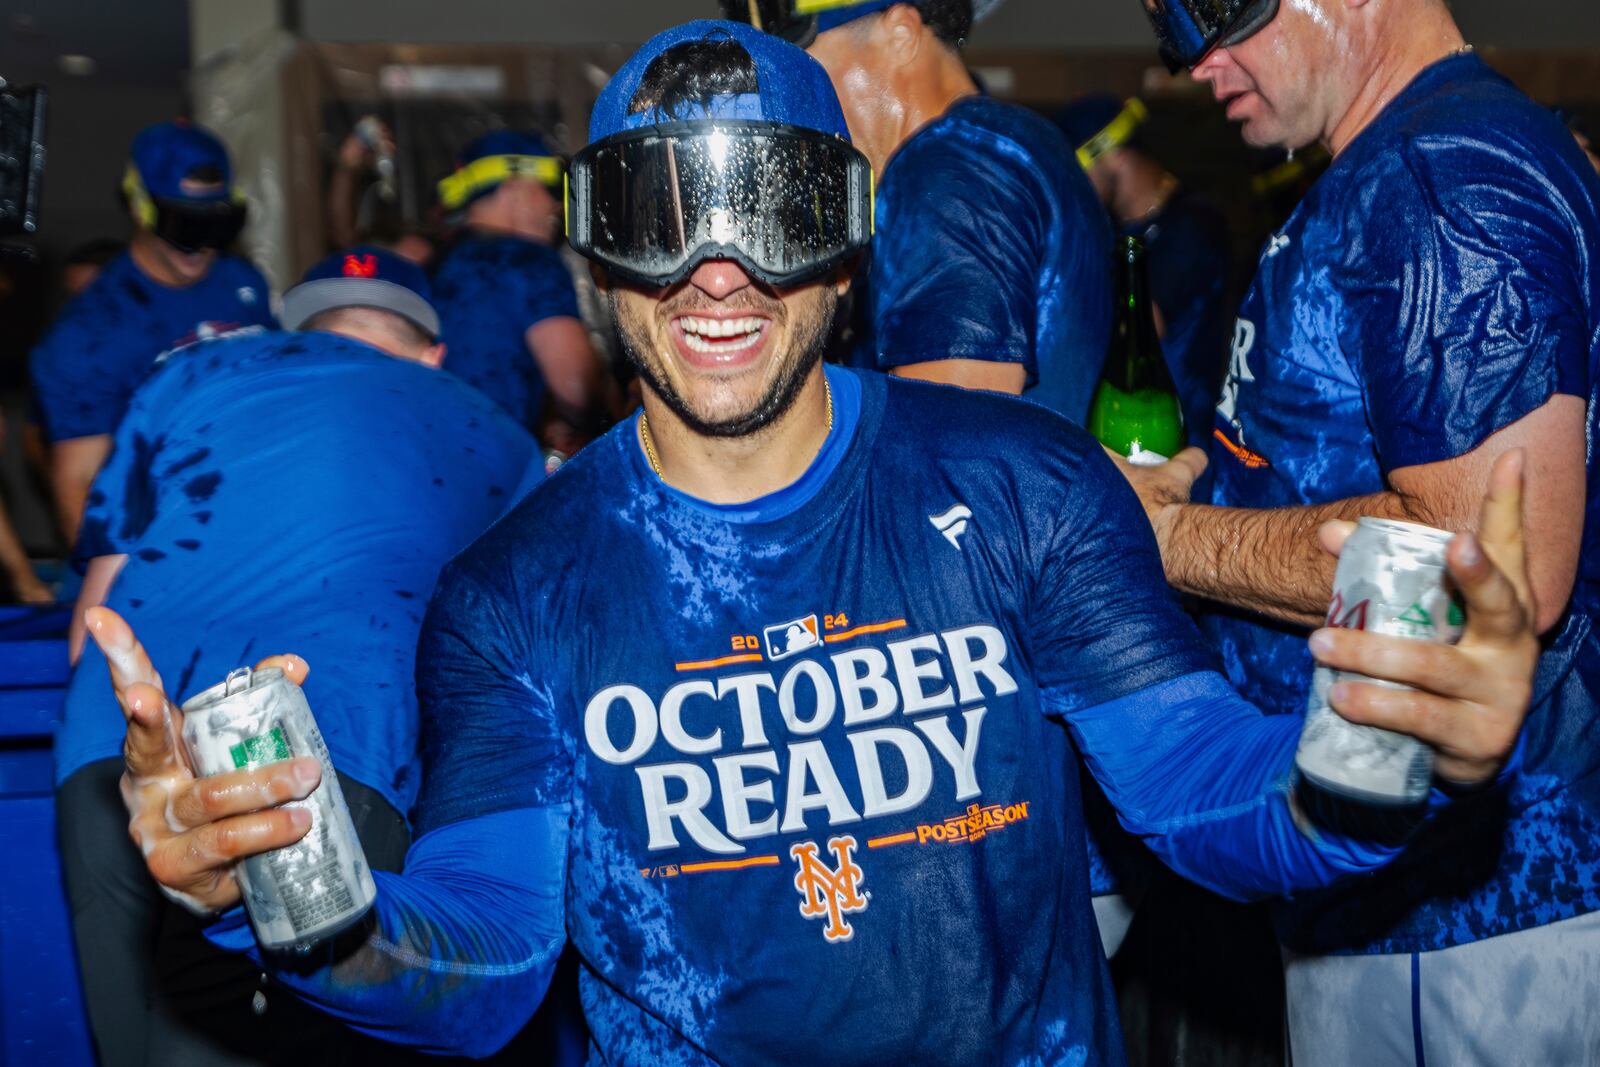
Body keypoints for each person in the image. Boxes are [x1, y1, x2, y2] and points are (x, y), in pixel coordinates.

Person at [87, 22, 1539, 1064]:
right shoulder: (513, 595)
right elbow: (489, 964)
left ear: (847, 251)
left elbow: (1195, 792)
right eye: (662, 216)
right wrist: (283, 887)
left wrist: (1386, 751)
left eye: (770, 211)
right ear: (596, 260)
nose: (718, 269)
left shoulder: (1024, 479)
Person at [1120, 0, 1600, 1062]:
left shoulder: (1437, 171)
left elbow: (1485, 559)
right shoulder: (1400, 160)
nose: (1196, 60)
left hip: (1467, 909)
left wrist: (1170, 538)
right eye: (1172, 28)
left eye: (1215, 9)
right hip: (1398, 880)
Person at [57, 246, 534, 1066]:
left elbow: (91, 621)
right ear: (432, 351)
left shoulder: (194, 372)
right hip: (308, 755)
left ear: (288, 333)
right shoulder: (494, 432)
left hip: (112, 755)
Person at [724, 0, 1112, 421]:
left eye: (802, 69)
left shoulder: (944, 170)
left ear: (902, 35)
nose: (785, 105)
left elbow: (953, 450)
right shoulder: (1012, 141)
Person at [28, 121, 275, 546]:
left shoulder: (242, 283)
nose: (199, 245)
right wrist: (113, 600)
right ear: (140, 208)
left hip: (253, 511)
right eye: (182, 223)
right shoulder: (89, 334)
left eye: (215, 223)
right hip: (160, 535)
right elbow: (80, 482)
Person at [1055, 95, 1233, 447]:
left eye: (1077, 172)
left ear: (1112, 155)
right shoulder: (1110, 231)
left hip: (1182, 434)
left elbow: (1141, 325)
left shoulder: (1192, 224)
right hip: (1120, 424)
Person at [430, 131, 612, 447]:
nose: (556, 205)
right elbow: (578, 391)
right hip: (501, 473)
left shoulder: (432, 265)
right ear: (516, 188)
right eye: (549, 190)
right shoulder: (527, 261)